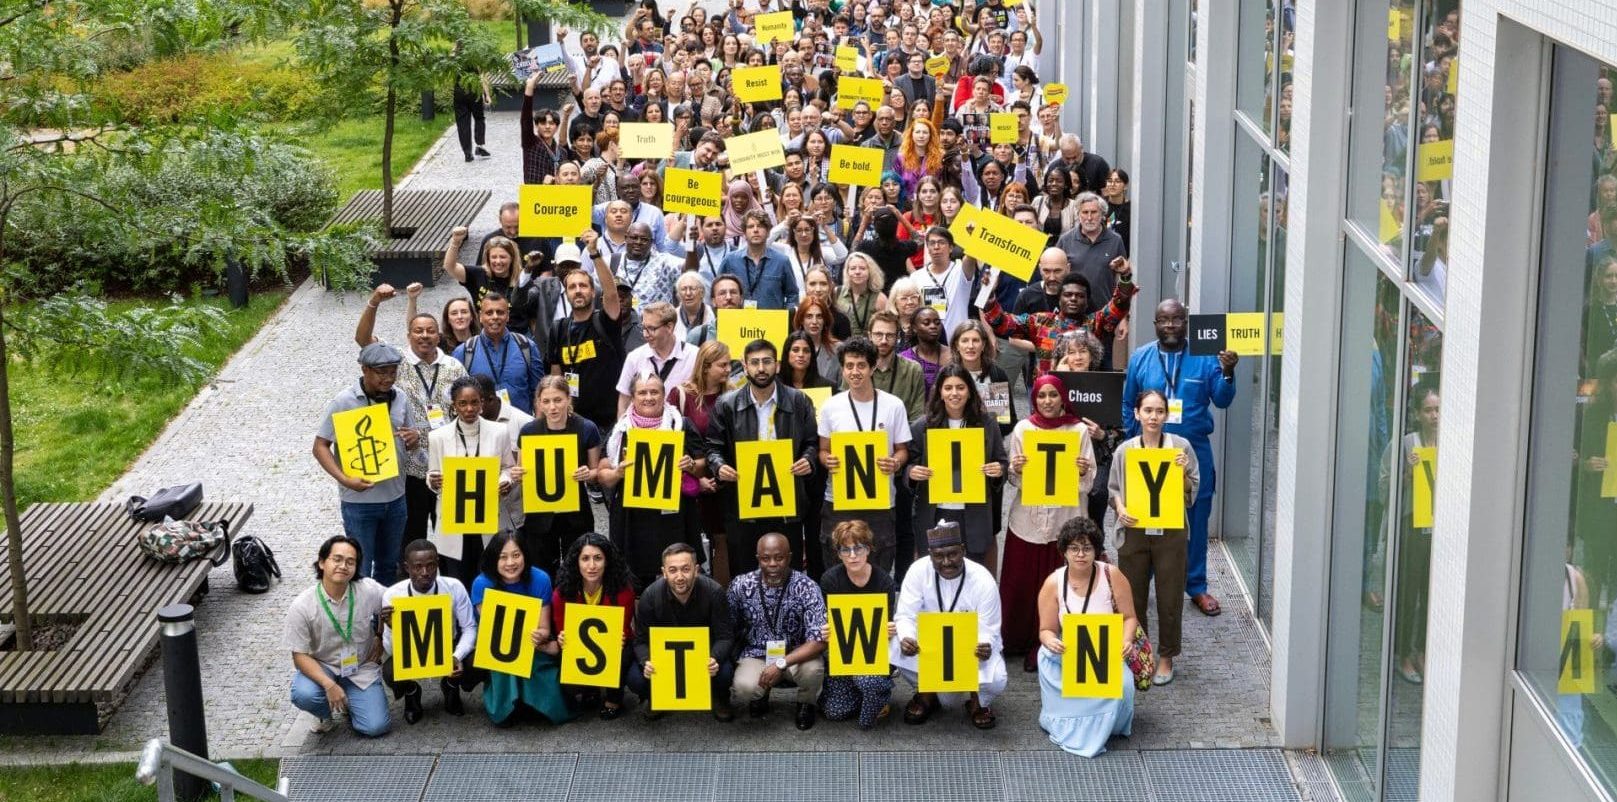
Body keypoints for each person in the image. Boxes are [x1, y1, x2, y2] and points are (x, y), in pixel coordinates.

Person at [1121, 299, 1238, 617]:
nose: (1170, 325)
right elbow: (1129, 401)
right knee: (1147, 518)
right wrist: (1131, 445)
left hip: (1193, 450)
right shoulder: (1141, 358)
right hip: (1149, 451)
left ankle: (1196, 586)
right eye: (1164, 320)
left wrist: (1227, 371)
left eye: (1177, 320)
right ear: (1155, 323)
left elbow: (1222, 399)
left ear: (1186, 323)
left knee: (1196, 518)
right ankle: (1144, 581)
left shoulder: (1205, 356)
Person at [353, 284, 469, 544]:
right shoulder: (396, 363)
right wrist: (374, 302)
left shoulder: (454, 367)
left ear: (438, 336)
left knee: (451, 539)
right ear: (409, 336)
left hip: (448, 465)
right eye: (418, 331)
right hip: (410, 469)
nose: (424, 336)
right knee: (411, 538)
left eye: (430, 331)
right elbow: (363, 339)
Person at [999, 373, 1098, 669]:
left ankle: (1049, 640)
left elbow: (1089, 482)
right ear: (1034, 399)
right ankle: (1016, 638)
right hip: (1028, 520)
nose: (1047, 401)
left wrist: (1081, 471)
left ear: (1062, 398)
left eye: (1053, 395)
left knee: (1059, 586)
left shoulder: (1078, 430)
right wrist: (1015, 468)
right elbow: (1015, 480)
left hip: (1065, 520)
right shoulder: (1023, 429)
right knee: (1021, 583)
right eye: (1041, 396)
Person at [706, 339, 820, 574]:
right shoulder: (726, 404)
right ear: (745, 367)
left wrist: (808, 460)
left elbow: (812, 442)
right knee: (745, 571)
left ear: (777, 366)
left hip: (786, 502)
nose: (761, 368)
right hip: (743, 501)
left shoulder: (798, 401)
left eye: (767, 362)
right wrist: (719, 467)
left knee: (789, 570)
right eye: (755, 363)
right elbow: (712, 448)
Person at [1109, 388, 1198, 684]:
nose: (1153, 416)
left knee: (1170, 593)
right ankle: (1138, 652)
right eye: (1148, 410)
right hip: (1134, 530)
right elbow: (1113, 490)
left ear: (1167, 415)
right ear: (1137, 413)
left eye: (1159, 411)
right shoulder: (1125, 450)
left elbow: (1191, 492)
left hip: (1170, 531)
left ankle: (1167, 655)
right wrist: (1120, 508)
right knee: (1132, 595)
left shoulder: (1180, 447)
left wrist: (1183, 473)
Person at [313, 343, 419, 584]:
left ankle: (381, 620)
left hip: (395, 498)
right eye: (382, 372)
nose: (388, 378)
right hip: (359, 502)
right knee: (359, 567)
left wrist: (414, 438)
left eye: (393, 372)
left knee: (388, 566)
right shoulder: (343, 401)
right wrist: (344, 479)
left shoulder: (400, 397)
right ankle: (359, 619)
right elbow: (320, 446)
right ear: (364, 370)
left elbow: (411, 438)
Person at [1035, 517, 1137, 756]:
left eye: (1087, 548)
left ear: (1097, 551)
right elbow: (1045, 629)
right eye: (1074, 548)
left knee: (1122, 685)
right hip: (1067, 656)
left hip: (1105, 654)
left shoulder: (1112, 576)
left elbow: (1130, 617)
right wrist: (1050, 640)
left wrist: (1127, 640)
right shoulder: (1053, 583)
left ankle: (1107, 724)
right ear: (1064, 552)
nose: (1080, 554)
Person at [598, 371, 709, 587]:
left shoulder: (681, 425)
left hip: (673, 519)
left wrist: (691, 466)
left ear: (664, 395)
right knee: (633, 582)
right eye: (642, 393)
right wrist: (617, 473)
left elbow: (703, 465)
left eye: (654, 392)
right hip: (632, 520)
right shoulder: (621, 430)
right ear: (633, 397)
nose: (649, 397)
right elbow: (602, 473)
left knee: (678, 577)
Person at [893, 521, 1006, 729]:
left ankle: (977, 701)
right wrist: (907, 638)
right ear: (929, 554)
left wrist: (984, 644)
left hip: (969, 651)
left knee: (997, 679)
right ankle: (926, 694)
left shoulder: (982, 579)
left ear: (963, 550)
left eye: (952, 554)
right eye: (938, 556)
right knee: (893, 645)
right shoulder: (918, 571)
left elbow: (989, 626)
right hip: (930, 649)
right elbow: (905, 615)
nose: (946, 562)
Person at [818, 336, 914, 574]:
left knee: (879, 566)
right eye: (849, 366)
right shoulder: (831, 406)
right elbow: (823, 449)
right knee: (837, 565)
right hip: (839, 500)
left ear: (872, 367)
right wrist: (826, 459)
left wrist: (895, 462)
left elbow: (903, 450)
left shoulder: (893, 405)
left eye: (861, 365)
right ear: (842, 369)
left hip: (880, 500)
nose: (855, 372)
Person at [904, 364, 1008, 568]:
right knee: (936, 571)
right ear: (940, 393)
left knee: (973, 568)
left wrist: (998, 471)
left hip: (973, 513)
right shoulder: (922, 426)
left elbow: (1002, 462)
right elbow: (907, 467)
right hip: (936, 511)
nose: (954, 393)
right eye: (948, 388)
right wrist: (912, 473)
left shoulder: (987, 424)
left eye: (960, 388)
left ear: (970, 392)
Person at [285, 535, 390, 736]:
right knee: (304, 695)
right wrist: (329, 684)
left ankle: (350, 702)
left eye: (350, 562)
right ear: (322, 562)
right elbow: (299, 655)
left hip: (360, 666)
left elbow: (394, 603)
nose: (343, 566)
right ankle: (324, 714)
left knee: (376, 727)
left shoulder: (367, 589)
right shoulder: (302, 605)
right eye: (337, 559)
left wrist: (379, 634)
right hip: (324, 665)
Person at [468, 533, 573, 725]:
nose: (510, 562)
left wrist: (539, 636)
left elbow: (543, 627)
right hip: (499, 646)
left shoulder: (540, 579)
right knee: (507, 664)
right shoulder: (482, 583)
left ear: (525, 555)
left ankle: (536, 703)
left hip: (532, 645)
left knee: (537, 664)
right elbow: (494, 630)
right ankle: (508, 706)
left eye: (516, 555)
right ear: (493, 558)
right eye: (503, 557)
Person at [727, 533, 828, 730]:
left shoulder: (806, 587)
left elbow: (819, 640)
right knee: (743, 688)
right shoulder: (740, 586)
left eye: (779, 558)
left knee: (813, 671)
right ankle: (761, 693)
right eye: (766, 558)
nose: (772, 563)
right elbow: (728, 627)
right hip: (757, 652)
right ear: (758, 559)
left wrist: (781, 663)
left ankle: (806, 703)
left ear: (789, 557)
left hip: (796, 653)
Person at [427, 375, 518, 587]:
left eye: (474, 402)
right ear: (454, 405)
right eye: (463, 403)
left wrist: (505, 481)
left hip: (488, 516)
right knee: (458, 580)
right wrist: (434, 481)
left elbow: (509, 468)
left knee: (490, 578)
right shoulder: (438, 437)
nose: (469, 408)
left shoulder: (499, 432)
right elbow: (432, 473)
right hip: (454, 520)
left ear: (482, 403)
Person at [628, 543, 736, 720]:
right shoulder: (650, 596)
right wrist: (646, 661)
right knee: (635, 678)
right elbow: (640, 641)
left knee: (724, 672)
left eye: (685, 569)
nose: (679, 576)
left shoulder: (714, 592)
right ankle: (655, 697)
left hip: (704, 656)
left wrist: (714, 657)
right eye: (673, 570)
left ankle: (719, 697)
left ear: (696, 569)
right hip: (664, 659)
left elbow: (725, 636)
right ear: (664, 572)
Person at [380, 540, 477, 723]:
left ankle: (450, 687)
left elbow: (469, 627)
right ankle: (412, 692)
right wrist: (392, 628)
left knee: (475, 660)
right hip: (412, 650)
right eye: (417, 567)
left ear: (438, 563)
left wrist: (456, 656)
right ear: (407, 568)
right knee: (390, 671)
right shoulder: (393, 595)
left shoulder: (454, 586)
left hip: (447, 645)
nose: (425, 573)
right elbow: (390, 650)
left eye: (430, 566)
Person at [983, 260, 1136, 375]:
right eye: (1068, 295)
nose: (1073, 299)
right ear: (1059, 299)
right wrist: (989, 297)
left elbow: (1118, 305)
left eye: (1079, 296)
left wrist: (1125, 277)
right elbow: (1003, 323)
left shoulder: (1095, 323)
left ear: (1087, 300)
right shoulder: (1040, 322)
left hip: (1085, 397)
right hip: (1047, 399)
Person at [518, 376, 603, 576]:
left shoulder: (586, 428)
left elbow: (596, 472)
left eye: (558, 400)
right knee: (541, 569)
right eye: (546, 401)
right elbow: (520, 471)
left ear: (568, 399)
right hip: (539, 513)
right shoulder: (529, 431)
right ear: (539, 403)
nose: (552, 407)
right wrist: (517, 473)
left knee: (576, 567)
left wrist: (587, 473)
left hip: (575, 512)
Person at [549, 532, 638, 719]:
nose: (592, 566)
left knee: (624, 651)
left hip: (615, 647)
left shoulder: (624, 590)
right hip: (578, 647)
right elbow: (561, 628)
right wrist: (562, 637)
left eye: (598, 558)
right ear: (576, 562)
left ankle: (614, 698)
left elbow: (622, 629)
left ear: (607, 561)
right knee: (567, 684)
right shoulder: (562, 593)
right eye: (585, 559)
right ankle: (589, 689)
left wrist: (618, 638)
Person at [818, 520, 897, 730]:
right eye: (846, 550)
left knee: (868, 682)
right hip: (843, 654)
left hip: (872, 655)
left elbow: (886, 625)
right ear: (838, 553)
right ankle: (867, 693)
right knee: (834, 712)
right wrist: (826, 629)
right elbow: (826, 619)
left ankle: (880, 689)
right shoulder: (829, 580)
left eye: (858, 548)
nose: (853, 556)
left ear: (869, 549)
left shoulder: (884, 583)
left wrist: (889, 629)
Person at [548, 229, 627, 436]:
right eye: (572, 287)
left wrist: (594, 254)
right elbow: (556, 378)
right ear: (567, 294)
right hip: (574, 422)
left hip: (608, 421)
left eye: (583, 286)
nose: (578, 290)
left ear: (593, 292)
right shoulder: (558, 328)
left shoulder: (605, 320)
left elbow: (611, 292)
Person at [452, 292, 545, 416]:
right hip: (482, 428)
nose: (495, 317)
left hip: (521, 427)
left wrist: (537, 426)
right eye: (489, 313)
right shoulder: (464, 352)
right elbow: (457, 396)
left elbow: (539, 392)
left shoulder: (527, 346)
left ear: (507, 316)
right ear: (480, 316)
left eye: (500, 312)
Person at [616, 301, 697, 417]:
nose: (645, 334)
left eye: (651, 329)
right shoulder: (634, 357)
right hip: (641, 432)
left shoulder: (695, 356)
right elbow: (624, 400)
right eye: (643, 328)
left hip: (680, 430)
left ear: (670, 327)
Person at [1055, 193, 1129, 316]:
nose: (1089, 217)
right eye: (1085, 212)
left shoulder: (1115, 240)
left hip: (1104, 315)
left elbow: (1121, 280)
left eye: (1094, 212)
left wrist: (1123, 316)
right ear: (1078, 214)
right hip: (1072, 314)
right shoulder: (1065, 240)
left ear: (1102, 214)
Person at [718, 209, 800, 311]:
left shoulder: (782, 261)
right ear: (744, 232)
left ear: (768, 231)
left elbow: (792, 294)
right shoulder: (730, 260)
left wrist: (787, 316)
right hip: (738, 323)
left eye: (760, 226)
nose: (755, 230)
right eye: (751, 226)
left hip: (771, 323)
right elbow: (718, 291)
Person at [867, 311, 926, 419]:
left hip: (902, 433)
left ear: (898, 337)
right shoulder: (856, 369)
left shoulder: (913, 370)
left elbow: (917, 417)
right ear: (869, 335)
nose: (884, 341)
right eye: (879, 335)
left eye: (889, 335)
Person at [835, 251, 889, 339]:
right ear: (847, 271)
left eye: (862, 268)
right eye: (853, 268)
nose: (857, 272)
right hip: (841, 346)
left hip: (867, 348)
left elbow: (885, 327)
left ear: (870, 271)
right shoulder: (837, 292)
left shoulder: (880, 298)